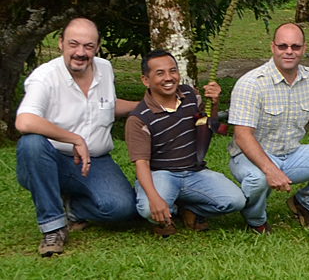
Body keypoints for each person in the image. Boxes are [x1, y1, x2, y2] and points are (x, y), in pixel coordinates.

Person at [16, 18, 140, 256]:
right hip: (50, 161)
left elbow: (106, 106)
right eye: (73, 44)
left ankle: (71, 208)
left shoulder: (104, 68)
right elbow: (24, 120)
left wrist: (145, 106)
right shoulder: (45, 77)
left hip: (94, 161)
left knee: (122, 208)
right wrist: (75, 139)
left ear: (97, 47)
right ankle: (53, 227)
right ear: (61, 43)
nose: (80, 52)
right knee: (31, 143)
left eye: (88, 46)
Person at [227, 23, 309, 233]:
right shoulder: (251, 83)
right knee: (257, 180)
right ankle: (256, 220)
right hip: (249, 156)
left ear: (304, 49)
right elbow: (242, 136)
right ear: (272, 47)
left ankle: (306, 206)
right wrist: (270, 170)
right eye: (282, 46)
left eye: (295, 47)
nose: (289, 51)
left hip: (291, 153)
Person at [128, 50, 241, 236]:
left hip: (194, 172)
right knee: (149, 208)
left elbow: (207, 127)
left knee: (235, 200)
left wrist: (214, 103)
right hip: (161, 174)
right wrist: (154, 198)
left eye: (173, 71)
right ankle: (167, 213)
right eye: (160, 73)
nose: (168, 78)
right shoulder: (139, 118)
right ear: (145, 80)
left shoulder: (190, 95)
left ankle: (190, 209)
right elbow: (141, 164)